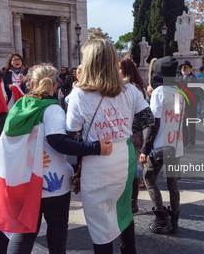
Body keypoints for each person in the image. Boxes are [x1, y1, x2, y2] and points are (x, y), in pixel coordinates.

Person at [0, 64, 112, 254]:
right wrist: (95, 148)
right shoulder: (52, 110)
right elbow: (57, 141)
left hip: (24, 182)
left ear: (31, 84)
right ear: (54, 87)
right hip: (53, 183)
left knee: (24, 232)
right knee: (57, 230)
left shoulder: (19, 106)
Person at [66, 39, 154, 254]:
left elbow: (73, 137)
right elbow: (147, 118)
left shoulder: (79, 94)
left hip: (97, 161)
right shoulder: (130, 90)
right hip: (123, 157)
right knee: (123, 210)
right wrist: (122, 129)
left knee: (99, 221)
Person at [140, 56, 183, 235]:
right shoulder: (179, 92)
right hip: (176, 145)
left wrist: (145, 150)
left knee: (149, 179)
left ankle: (161, 219)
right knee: (173, 184)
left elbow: (153, 124)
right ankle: (174, 218)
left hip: (160, 145)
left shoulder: (159, 93)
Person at [119, 58, 147, 214]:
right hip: (133, 130)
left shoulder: (132, 88)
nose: (117, 71)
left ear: (126, 70)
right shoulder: (136, 87)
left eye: (119, 68)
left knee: (132, 166)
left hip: (132, 130)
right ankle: (132, 201)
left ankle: (132, 202)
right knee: (132, 165)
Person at [178, 60, 198, 149]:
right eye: (182, 67)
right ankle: (185, 141)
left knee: (190, 124)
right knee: (183, 124)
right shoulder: (181, 77)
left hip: (190, 105)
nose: (183, 69)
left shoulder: (192, 77)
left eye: (185, 67)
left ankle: (191, 142)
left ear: (190, 68)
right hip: (182, 104)